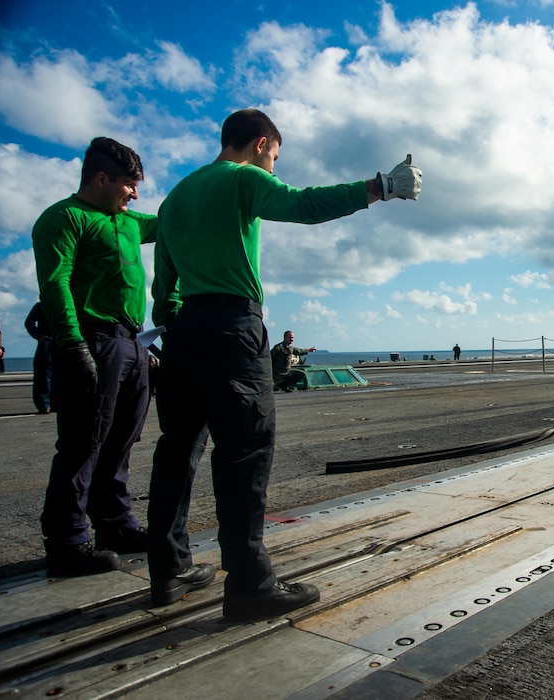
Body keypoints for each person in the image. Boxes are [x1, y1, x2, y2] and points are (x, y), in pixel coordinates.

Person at [148, 108, 421, 619]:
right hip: (231, 326)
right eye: (274, 155)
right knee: (243, 452)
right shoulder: (244, 177)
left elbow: (163, 286)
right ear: (258, 144)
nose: (273, 166)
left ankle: (168, 569)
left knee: (176, 451)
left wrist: (175, 328)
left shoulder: (175, 196)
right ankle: (250, 584)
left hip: (180, 333)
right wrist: (380, 186)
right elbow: (303, 205)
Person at [32, 137, 156, 577]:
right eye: (128, 184)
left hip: (131, 341)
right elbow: (56, 283)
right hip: (92, 339)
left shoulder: (127, 222)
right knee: (82, 443)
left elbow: (172, 223)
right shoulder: (64, 218)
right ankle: (66, 541)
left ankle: (115, 525)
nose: (134, 193)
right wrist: (71, 345)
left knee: (122, 440)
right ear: (100, 178)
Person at [24, 302, 54, 413]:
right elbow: (29, 322)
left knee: (60, 374)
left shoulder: (67, 303)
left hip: (62, 341)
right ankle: (43, 403)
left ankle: (55, 402)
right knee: (44, 374)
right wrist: (38, 336)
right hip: (47, 341)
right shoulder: (42, 305)